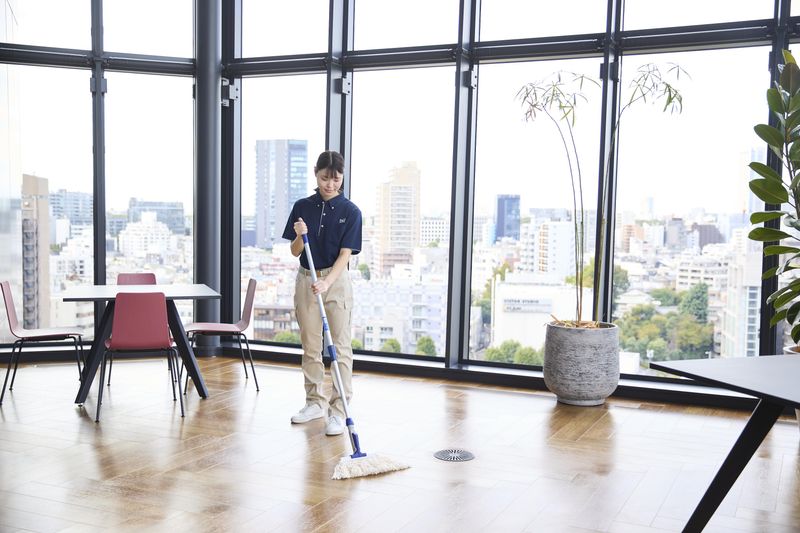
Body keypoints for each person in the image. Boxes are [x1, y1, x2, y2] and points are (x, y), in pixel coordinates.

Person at [282, 150, 363, 436]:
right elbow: (294, 252)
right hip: (306, 280)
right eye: (325, 178)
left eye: (336, 179)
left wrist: (328, 283)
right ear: (316, 174)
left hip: (335, 282)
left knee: (340, 348)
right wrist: (299, 236)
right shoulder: (302, 206)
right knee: (311, 346)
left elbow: (346, 254)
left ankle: (338, 411)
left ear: (342, 178)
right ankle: (314, 402)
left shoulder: (351, 211)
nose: (330, 184)